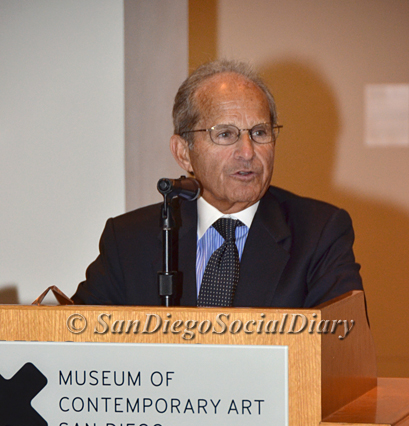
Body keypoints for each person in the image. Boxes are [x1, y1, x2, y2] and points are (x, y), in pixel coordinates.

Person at [72, 60, 363, 308]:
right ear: (184, 153)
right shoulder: (128, 240)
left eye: (260, 132)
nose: (248, 152)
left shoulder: (320, 234)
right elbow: (72, 339)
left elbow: (341, 352)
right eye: (225, 134)